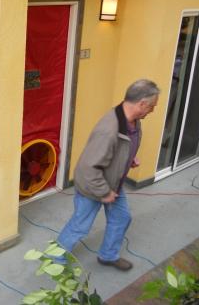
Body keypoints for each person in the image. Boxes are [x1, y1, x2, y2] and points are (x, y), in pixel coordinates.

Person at [57, 79, 160, 271]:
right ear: (142, 104)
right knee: (80, 225)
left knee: (121, 218)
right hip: (93, 186)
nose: (152, 111)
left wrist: (130, 158)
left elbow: (120, 147)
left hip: (113, 183)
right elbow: (88, 169)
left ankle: (108, 255)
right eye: (152, 107)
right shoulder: (109, 129)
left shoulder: (132, 120)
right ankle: (54, 258)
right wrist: (104, 193)